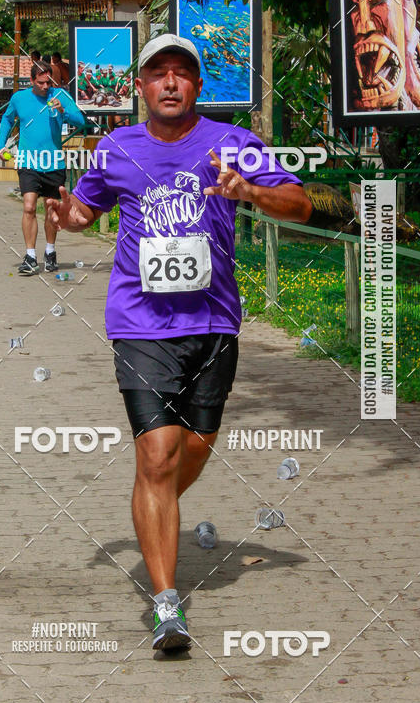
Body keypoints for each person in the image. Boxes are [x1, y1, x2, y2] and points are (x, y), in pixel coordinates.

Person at [46, 34, 312, 652]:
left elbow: (298, 204)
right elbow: (87, 211)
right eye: (157, 73)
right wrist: (70, 217)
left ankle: (151, 505)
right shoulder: (116, 149)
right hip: (140, 323)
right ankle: (168, 605)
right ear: (140, 87)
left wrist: (249, 192)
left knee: (192, 450)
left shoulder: (233, 145)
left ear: (197, 86)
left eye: (182, 73)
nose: (170, 82)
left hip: (214, 323)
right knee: (158, 455)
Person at [0, 61, 87, 275]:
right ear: (32, 81)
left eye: (48, 82)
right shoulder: (19, 98)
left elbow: (80, 120)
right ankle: (30, 256)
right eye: (41, 83)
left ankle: (50, 251)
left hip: (53, 161)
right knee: (28, 206)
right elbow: (7, 120)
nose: (46, 87)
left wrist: (63, 110)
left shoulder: (60, 96)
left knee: (51, 208)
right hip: (28, 161)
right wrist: (1, 145)